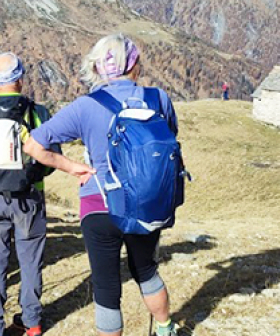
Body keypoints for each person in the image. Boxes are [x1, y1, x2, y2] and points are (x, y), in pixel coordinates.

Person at [23, 34, 183, 336]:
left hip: (99, 204)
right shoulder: (158, 98)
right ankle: (165, 328)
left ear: (97, 68)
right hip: (145, 204)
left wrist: (73, 167)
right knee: (146, 271)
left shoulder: (86, 106)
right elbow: (169, 139)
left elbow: (33, 145)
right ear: (133, 64)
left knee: (107, 288)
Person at [0, 52, 56, 336]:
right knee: (30, 263)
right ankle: (32, 322)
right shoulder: (38, 113)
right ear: (20, 78)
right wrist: (32, 178)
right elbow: (51, 158)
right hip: (30, 199)